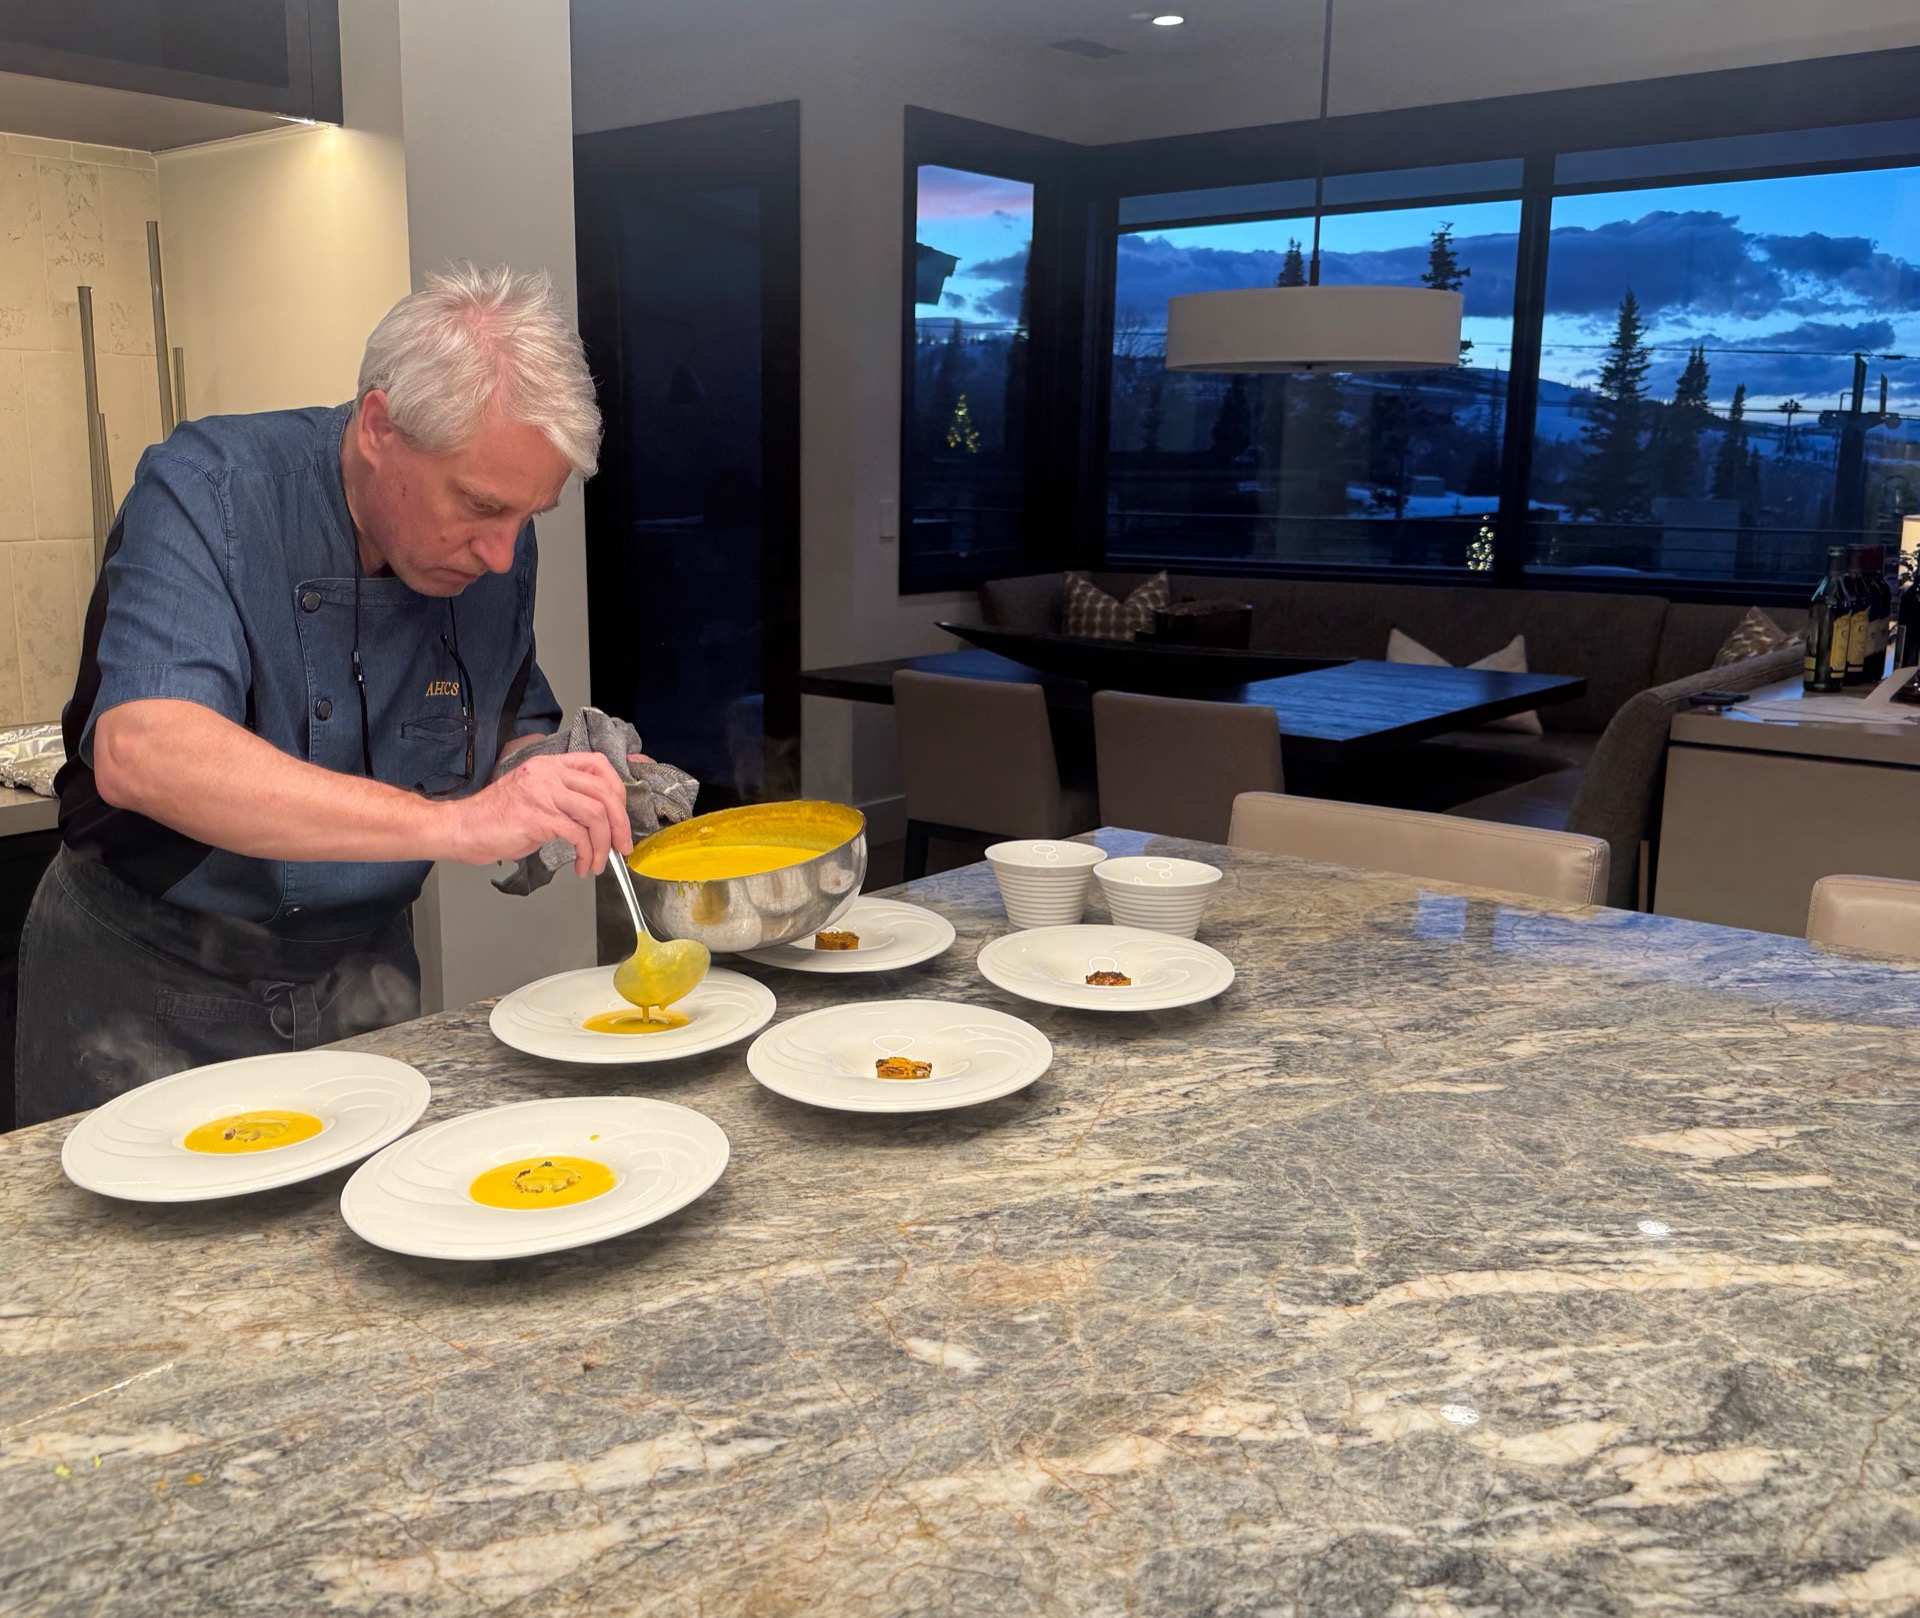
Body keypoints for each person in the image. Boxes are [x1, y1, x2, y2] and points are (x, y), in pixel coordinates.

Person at [15, 265, 634, 1128]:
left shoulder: (493, 552)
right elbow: (144, 751)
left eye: (530, 517)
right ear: (380, 426)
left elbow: (494, 716)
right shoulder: (209, 490)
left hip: (364, 985)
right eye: (481, 505)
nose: (502, 554)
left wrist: (558, 773)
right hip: (148, 987)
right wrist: (454, 825)